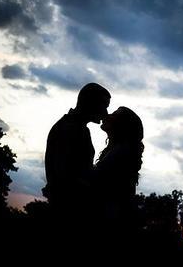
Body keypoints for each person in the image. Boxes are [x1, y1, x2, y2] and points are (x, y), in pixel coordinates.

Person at [42, 83, 110, 263]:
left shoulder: (75, 128)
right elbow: (64, 176)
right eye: (104, 106)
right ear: (90, 103)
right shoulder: (70, 129)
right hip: (68, 216)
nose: (105, 113)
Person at [93, 106, 144, 256]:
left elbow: (96, 179)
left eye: (114, 114)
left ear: (122, 125)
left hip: (112, 221)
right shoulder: (119, 149)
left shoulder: (122, 150)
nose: (107, 114)